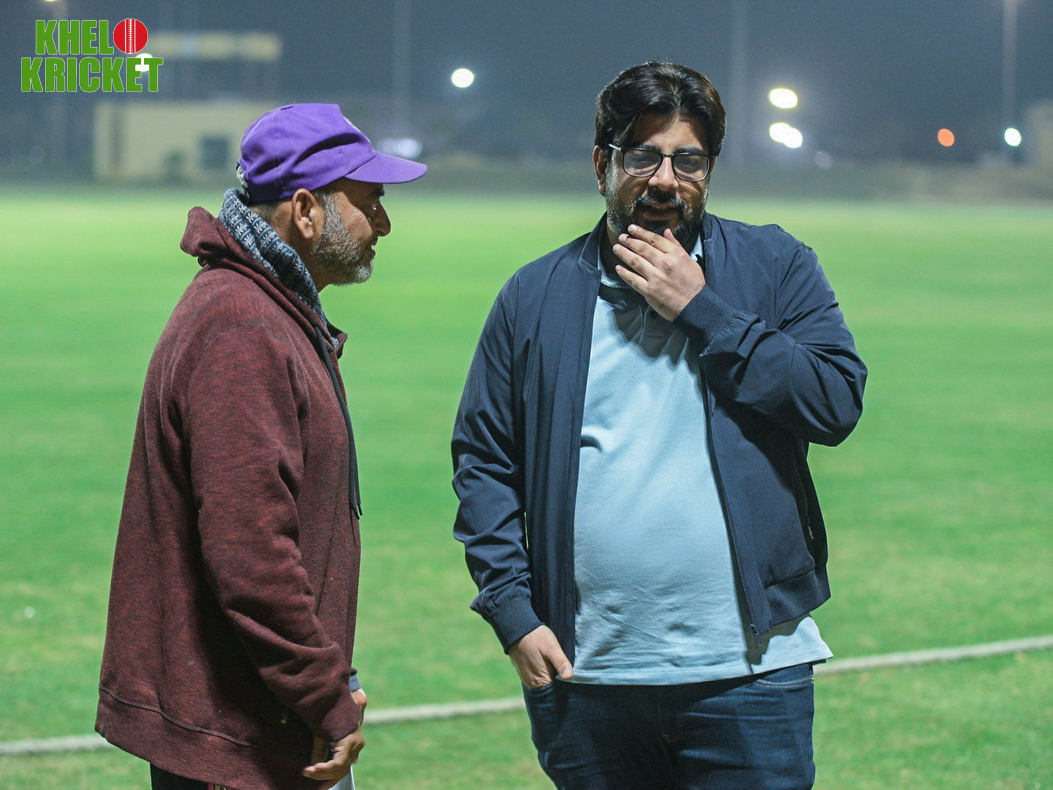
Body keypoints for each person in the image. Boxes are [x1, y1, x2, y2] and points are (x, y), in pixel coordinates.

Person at [451, 62, 866, 789]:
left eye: (688, 160)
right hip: (586, 677)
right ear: (601, 166)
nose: (666, 180)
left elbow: (833, 403)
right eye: (643, 156)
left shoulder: (775, 266)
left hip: (751, 676)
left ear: (709, 171)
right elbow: (485, 462)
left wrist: (703, 310)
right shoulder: (534, 295)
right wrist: (513, 612)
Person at [96, 104, 426, 790]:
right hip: (240, 734)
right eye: (370, 201)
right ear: (304, 210)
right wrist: (323, 694)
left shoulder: (264, 308)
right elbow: (250, 552)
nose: (385, 223)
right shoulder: (242, 327)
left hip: (260, 712)